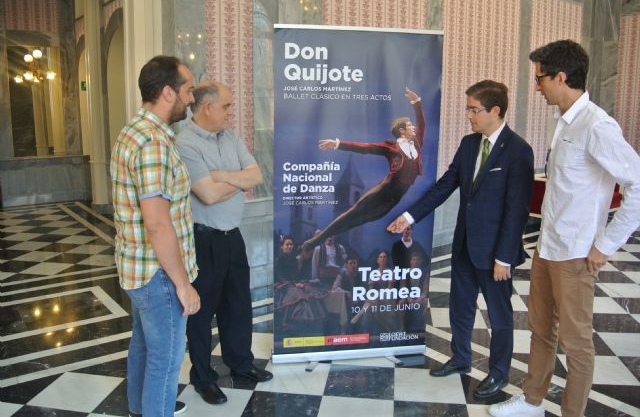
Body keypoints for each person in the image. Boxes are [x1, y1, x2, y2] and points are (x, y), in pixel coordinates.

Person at [489, 40, 640, 417]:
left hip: (577, 253)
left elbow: (637, 184)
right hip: (548, 246)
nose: (536, 86)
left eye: (540, 78)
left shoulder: (597, 125)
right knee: (540, 330)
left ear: (561, 77)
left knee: (576, 344)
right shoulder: (562, 121)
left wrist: (605, 245)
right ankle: (532, 401)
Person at [388, 80, 534, 399]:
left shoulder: (518, 151)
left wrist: (505, 257)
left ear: (495, 110)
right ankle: (460, 358)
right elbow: (445, 186)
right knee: (460, 306)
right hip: (465, 243)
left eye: (473, 110)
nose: (468, 115)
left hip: (496, 253)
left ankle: (498, 373)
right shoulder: (469, 144)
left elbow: (517, 210)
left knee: (499, 315)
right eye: (468, 109)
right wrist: (409, 217)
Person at [110, 55, 200, 417]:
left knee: (144, 347)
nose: (191, 98)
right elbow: (158, 224)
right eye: (188, 90)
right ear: (167, 92)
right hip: (158, 275)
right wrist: (183, 284)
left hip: (139, 268)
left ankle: (139, 409)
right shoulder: (153, 143)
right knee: (165, 361)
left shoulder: (135, 130)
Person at [175, 81, 272, 406]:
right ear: (207, 107)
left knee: (238, 305)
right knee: (201, 313)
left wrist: (221, 175)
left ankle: (241, 364)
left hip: (233, 235)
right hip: (204, 239)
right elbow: (208, 194)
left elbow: (256, 176)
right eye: (227, 106)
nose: (232, 112)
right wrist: (236, 178)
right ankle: (203, 378)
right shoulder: (185, 143)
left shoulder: (230, 137)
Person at [301, 87, 426, 250]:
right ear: (402, 131)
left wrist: (416, 102)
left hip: (395, 199)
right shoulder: (391, 147)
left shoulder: (417, 144)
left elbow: (422, 123)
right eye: (410, 126)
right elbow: (365, 148)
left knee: (360, 220)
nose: (414, 128)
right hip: (384, 190)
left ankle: (321, 238)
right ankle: (316, 240)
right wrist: (338, 144)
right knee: (352, 214)